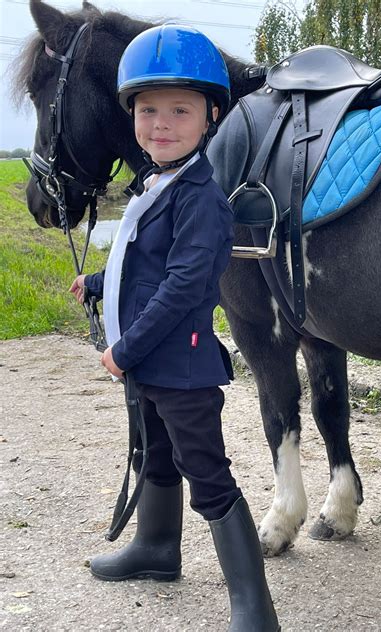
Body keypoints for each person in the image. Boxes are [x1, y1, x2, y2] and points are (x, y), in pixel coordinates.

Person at [69, 24, 280, 632]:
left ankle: (253, 607)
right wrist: (101, 282)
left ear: (210, 115)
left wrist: (125, 348)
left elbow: (184, 285)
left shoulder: (203, 199)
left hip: (179, 367)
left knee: (206, 473)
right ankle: (157, 549)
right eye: (148, 109)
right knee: (154, 454)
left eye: (180, 111)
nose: (161, 123)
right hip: (151, 368)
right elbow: (139, 253)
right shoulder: (157, 184)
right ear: (131, 113)